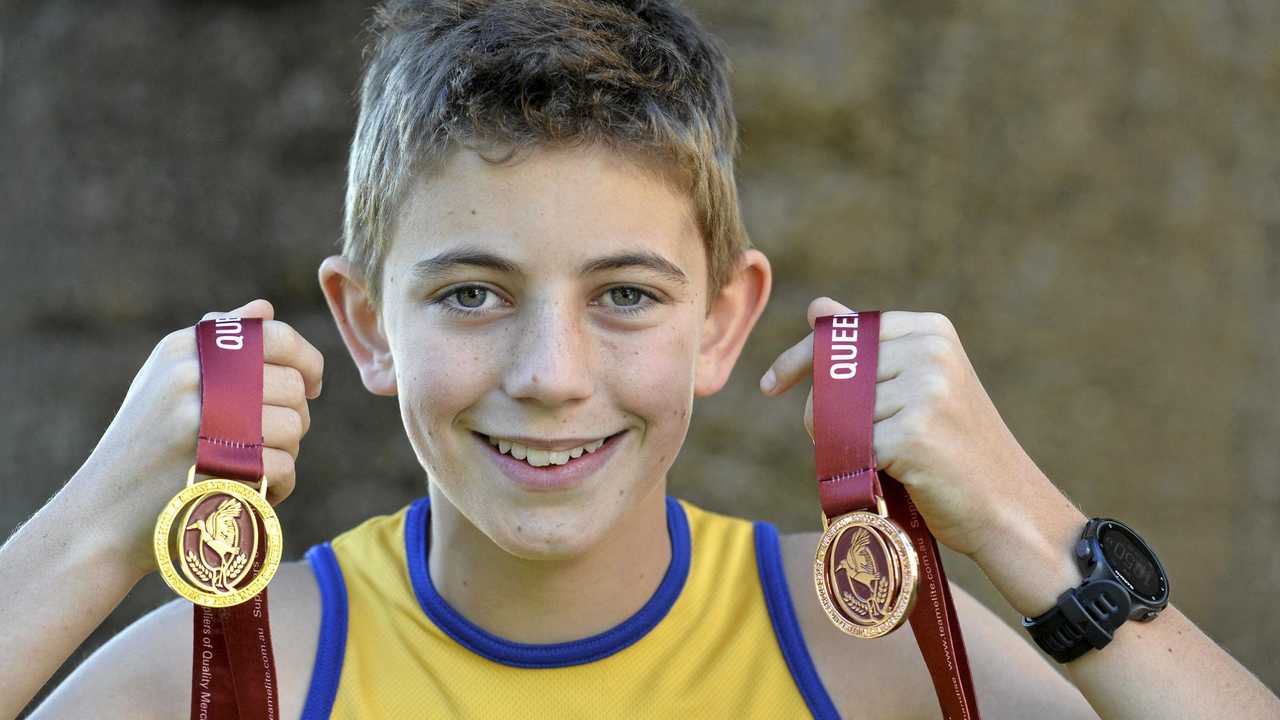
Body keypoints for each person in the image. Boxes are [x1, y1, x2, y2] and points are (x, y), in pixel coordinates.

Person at [4, 1, 1278, 718]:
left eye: (623, 293)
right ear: (365, 323)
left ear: (723, 320)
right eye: (469, 292)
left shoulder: (858, 646)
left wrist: (1025, 526)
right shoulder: (251, 666)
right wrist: (93, 534)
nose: (550, 371)